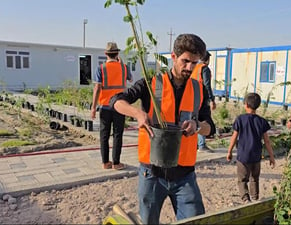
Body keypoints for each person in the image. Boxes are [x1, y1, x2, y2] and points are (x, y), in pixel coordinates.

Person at [110, 33, 215, 224]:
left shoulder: (199, 90)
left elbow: (210, 128)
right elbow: (116, 101)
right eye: (185, 61)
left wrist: (197, 125)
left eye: (194, 63)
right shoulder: (151, 85)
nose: (189, 67)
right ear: (173, 57)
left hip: (185, 175)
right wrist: (138, 114)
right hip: (151, 173)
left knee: (195, 220)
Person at [226, 92, 275, 204]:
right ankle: (255, 197)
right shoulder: (262, 121)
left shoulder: (240, 119)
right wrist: (271, 157)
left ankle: (245, 198)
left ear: (246, 104)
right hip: (256, 156)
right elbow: (267, 141)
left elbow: (234, 137)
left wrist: (229, 151)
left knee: (242, 179)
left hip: (243, 156)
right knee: (255, 178)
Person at [91, 42, 133, 170]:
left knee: (104, 135)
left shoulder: (101, 68)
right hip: (120, 106)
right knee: (117, 134)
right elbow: (131, 80)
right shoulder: (124, 67)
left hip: (105, 106)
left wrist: (93, 107)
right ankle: (116, 163)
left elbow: (97, 88)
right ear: (117, 53)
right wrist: (122, 63)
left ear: (105, 54)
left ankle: (105, 162)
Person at [191, 51, 216, 152]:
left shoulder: (195, 68)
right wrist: (212, 99)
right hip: (202, 98)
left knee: (195, 119)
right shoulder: (204, 69)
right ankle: (201, 145)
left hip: (193, 97)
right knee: (204, 120)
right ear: (208, 59)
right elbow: (207, 85)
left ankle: (197, 144)